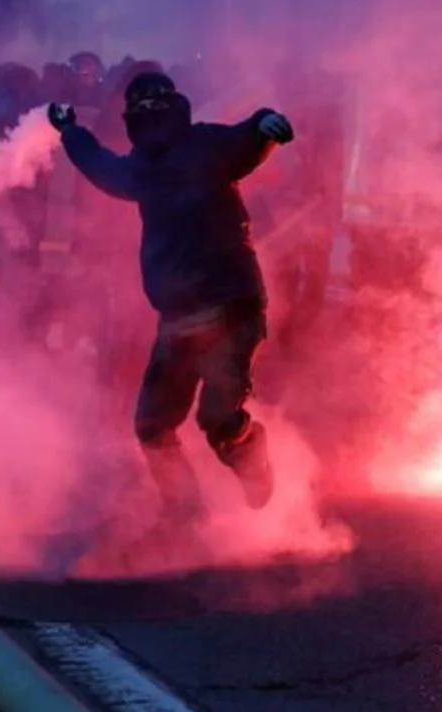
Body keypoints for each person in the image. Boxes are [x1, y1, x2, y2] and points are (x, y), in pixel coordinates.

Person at [46, 71, 295, 534]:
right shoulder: (139, 169)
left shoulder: (206, 147)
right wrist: (69, 131)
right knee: (153, 427)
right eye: (140, 106)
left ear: (176, 103)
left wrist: (266, 125)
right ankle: (185, 519)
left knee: (217, 420)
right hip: (178, 322)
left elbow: (245, 140)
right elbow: (99, 165)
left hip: (231, 310)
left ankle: (247, 447)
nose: (150, 113)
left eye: (156, 102)